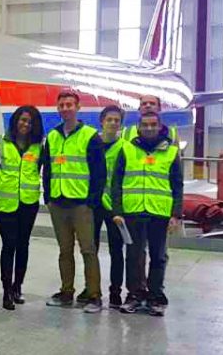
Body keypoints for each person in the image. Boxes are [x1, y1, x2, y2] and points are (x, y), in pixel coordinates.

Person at [112, 110, 183, 317]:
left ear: (160, 127)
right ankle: (134, 295)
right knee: (133, 256)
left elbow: (177, 185)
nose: (149, 128)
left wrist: (176, 214)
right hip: (133, 211)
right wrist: (118, 211)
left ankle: (155, 297)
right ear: (139, 127)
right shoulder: (127, 149)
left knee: (158, 257)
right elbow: (116, 183)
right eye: (145, 125)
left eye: (153, 125)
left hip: (159, 213)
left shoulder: (171, 152)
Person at [0, 105, 43, 311]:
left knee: (23, 245)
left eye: (29, 122)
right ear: (15, 121)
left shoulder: (39, 146)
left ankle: (17, 287)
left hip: (28, 204)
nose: (25, 124)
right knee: (9, 245)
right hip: (5, 204)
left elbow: (39, 171)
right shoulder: (0, 144)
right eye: (22, 120)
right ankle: (6, 291)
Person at [42, 89, 105, 314]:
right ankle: (66, 291)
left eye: (70, 104)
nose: (66, 108)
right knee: (64, 250)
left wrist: (92, 201)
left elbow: (99, 172)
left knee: (88, 250)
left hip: (81, 204)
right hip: (58, 203)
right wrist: (48, 197)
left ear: (78, 108)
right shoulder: (52, 136)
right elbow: (47, 169)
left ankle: (94, 294)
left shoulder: (89, 136)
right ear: (58, 109)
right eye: (62, 105)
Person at [91, 105, 129, 309]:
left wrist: (120, 208)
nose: (113, 123)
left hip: (115, 207)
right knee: (91, 249)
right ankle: (92, 289)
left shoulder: (125, 147)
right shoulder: (93, 144)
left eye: (117, 120)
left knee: (116, 250)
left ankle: (115, 292)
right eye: (109, 119)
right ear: (102, 121)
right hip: (94, 204)